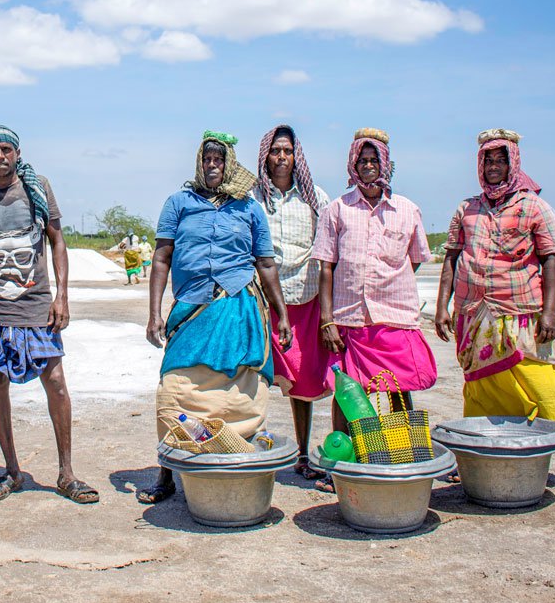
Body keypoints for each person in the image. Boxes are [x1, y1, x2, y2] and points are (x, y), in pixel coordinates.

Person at [139, 131, 293, 504]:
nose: (212, 165)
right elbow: (161, 258)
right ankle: (167, 472)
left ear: (229, 165)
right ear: (198, 162)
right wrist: (154, 313)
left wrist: (281, 314)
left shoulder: (249, 208)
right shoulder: (178, 203)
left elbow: (266, 263)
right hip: (191, 310)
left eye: (219, 160)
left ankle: (238, 460)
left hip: (238, 307)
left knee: (241, 389)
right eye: (207, 159)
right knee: (174, 385)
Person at [0, 125, 98, 504]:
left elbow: (57, 241)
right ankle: (12, 471)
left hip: (36, 306)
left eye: (6, 150)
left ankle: (67, 473)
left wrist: (62, 296)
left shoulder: (38, 187)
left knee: (56, 383)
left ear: (18, 153)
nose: (0, 157)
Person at [434, 129, 555, 430]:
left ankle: (552, 434)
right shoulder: (467, 209)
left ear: (513, 165)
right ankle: (487, 440)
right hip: (474, 312)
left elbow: (549, 260)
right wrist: (443, 307)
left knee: (537, 377)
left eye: (500, 161)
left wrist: (548, 312)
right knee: (481, 382)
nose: (493, 167)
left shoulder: (535, 207)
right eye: (487, 161)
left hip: (521, 310)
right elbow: (451, 258)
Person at [314, 129, 436, 443]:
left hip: (395, 317)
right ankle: (344, 460)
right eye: (362, 160)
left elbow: (416, 259)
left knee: (398, 389)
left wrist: (388, 281)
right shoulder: (337, 209)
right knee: (346, 392)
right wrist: (327, 320)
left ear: (385, 165)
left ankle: (401, 453)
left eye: (374, 160)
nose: (368, 166)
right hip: (349, 317)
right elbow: (325, 267)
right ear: (353, 165)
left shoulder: (407, 209)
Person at [252, 125, 333, 481]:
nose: (281, 158)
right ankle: (252, 451)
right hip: (261, 298)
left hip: (305, 295)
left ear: (295, 156)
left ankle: (302, 455)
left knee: (301, 380)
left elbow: (329, 251)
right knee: (253, 378)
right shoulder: (251, 198)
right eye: (275, 151)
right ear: (265, 156)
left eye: (287, 151)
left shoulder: (316, 198)